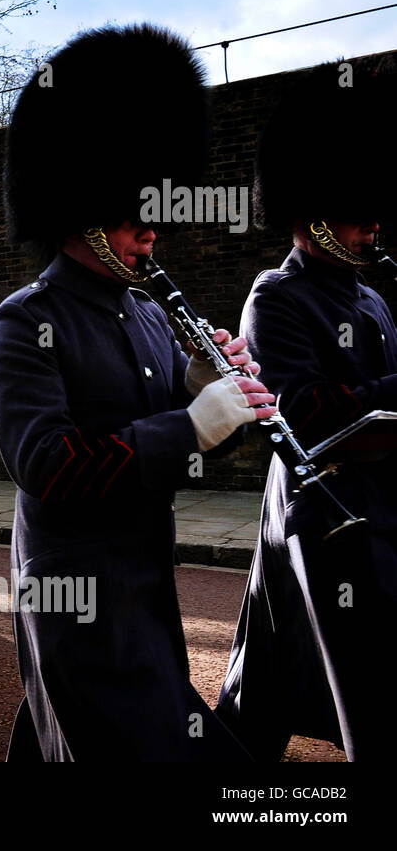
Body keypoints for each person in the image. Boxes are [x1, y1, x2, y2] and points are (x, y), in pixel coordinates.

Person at [0, 24, 275, 760]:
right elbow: (49, 466)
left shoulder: (148, 314)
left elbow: (196, 429)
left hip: (145, 586)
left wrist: (217, 396)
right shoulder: (23, 323)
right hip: (72, 598)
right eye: (133, 216)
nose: (152, 234)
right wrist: (192, 426)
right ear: (82, 208)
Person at [216, 61, 397, 761]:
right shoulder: (276, 296)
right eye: (358, 212)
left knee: (268, 680)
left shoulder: (374, 296)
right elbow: (307, 414)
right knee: (366, 688)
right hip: (324, 517)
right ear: (312, 212)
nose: (372, 226)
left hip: (379, 507)